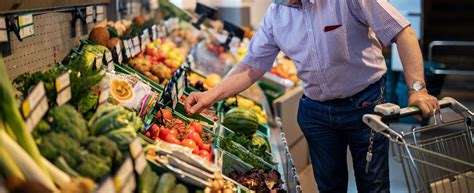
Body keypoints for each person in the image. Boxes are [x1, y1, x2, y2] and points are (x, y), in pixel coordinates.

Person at [185, 0, 439, 192]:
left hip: (366, 104)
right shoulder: (276, 14)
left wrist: (417, 89)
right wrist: (211, 95)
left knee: (373, 185)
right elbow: (252, 66)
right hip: (317, 113)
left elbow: (401, 31)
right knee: (329, 186)